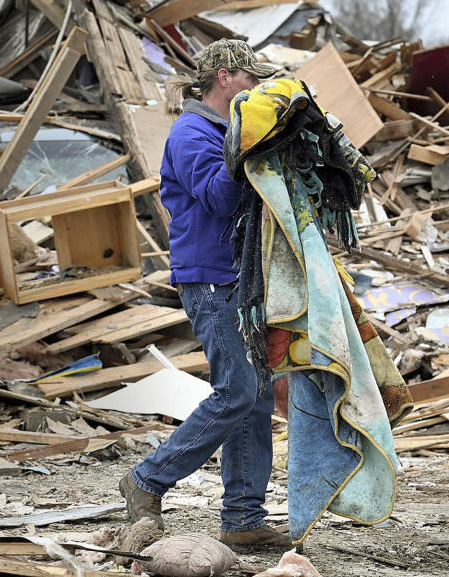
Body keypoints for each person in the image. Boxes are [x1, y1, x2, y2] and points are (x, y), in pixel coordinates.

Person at [119, 39, 296, 550]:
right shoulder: (192, 132)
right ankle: (148, 478)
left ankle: (242, 520)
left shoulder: (223, 129)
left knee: (257, 397)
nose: (257, 88)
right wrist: (251, 145)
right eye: (250, 79)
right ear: (224, 77)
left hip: (242, 280)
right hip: (210, 279)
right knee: (238, 390)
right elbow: (220, 196)